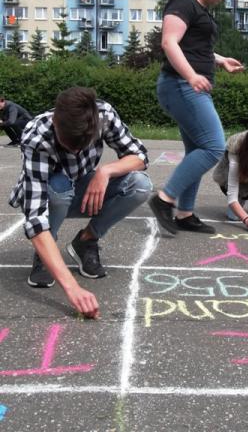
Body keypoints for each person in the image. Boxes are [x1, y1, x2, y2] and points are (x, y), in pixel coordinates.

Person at [9, 86, 151, 319]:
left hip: (84, 187)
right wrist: (72, 287)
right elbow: (35, 217)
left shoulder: (103, 114)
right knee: (59, 185)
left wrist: (105, 172)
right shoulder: (36, 136)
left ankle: (86, 241)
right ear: (55, 122)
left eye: (82, 145)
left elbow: (139, 155)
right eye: (69, 145)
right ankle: (46, 253)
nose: (76, 151)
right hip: (52, 194)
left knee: (140, 185)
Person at [148, 0, 244, 236]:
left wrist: (220, 59)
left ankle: (185, 214)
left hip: (188, 85)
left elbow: (195, 47)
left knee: (197, 150)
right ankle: (164, 199)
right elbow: (169, 43)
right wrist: (191, 76)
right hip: (179, 85)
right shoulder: (182, 4)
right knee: (214, 147)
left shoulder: (198, 10)